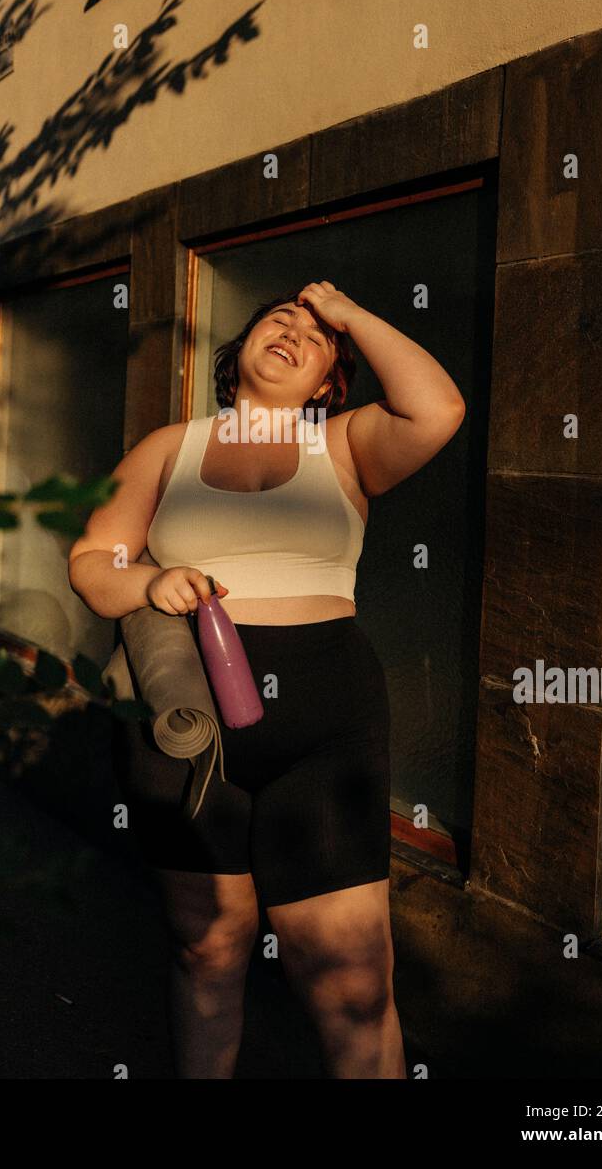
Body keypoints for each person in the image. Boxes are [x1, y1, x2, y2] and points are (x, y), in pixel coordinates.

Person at [68, 279, 465, 1078]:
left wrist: (349, 311)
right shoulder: (167, 446)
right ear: (237, 353)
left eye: (315, 336)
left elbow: (437, 410)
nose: (292, 328)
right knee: (206, 947)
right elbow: (92, 560)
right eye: (277, 318)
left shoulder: (348, 444)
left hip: (324, 722)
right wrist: (146, 584)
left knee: (350, 980)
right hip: (184, 722)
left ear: (328, 382)